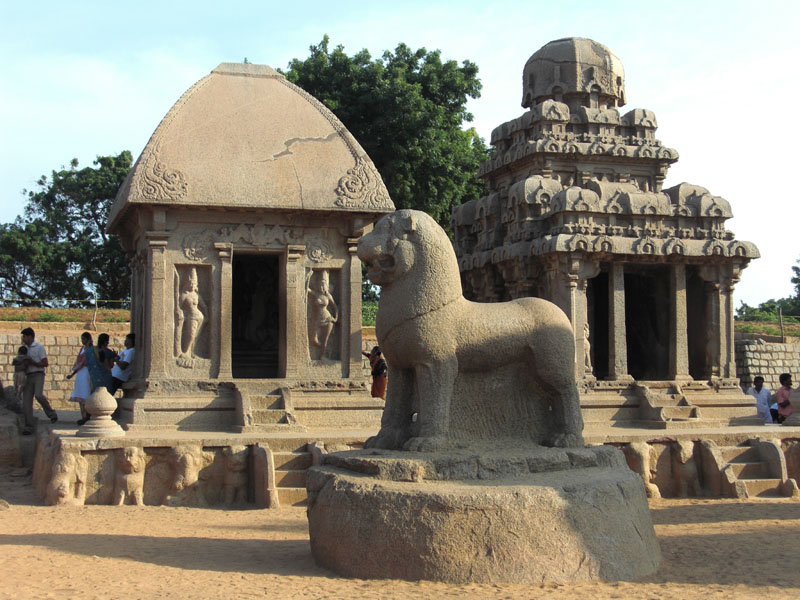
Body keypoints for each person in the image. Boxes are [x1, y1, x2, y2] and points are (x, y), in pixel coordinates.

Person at [20, 327, 57, 435]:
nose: (23, 339)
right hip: (28, 375)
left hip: (38, 374)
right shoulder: (23, 348)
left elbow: (45, 363)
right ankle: (29, 426)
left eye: (25, 336)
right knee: (26, 402)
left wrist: (32, 362)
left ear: (31, 337)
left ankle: (51, 413)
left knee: (38, 395)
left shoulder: (39, 347)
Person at [66, 332, 93, 425]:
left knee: (86, 395)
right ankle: (83, 417)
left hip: (87, 372)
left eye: (84, 339)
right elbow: (79, 363)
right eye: (82, 339)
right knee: (81, 395)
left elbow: (87, 362)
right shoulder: (82, 349)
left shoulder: (90, 349)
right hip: (81, 373)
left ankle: (88, 416)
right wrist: (72, 374)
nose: (82, 341)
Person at [109, 333, 135, 420]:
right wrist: (115, 357)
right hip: (115, 375)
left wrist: (117, 360)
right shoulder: (125, 350)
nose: (125, 341)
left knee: (108, 394)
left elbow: (124, 366)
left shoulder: (131, 351)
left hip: (119, 377)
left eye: (127, 339)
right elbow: (116, 359)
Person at [10, 345, 28, 413]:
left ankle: (18, 394)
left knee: (18, 386)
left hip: (19, 373)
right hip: (21, 373)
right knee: (20, 386)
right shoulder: (26, 358)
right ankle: (19, 394)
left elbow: (13, 363)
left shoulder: (19, 358)